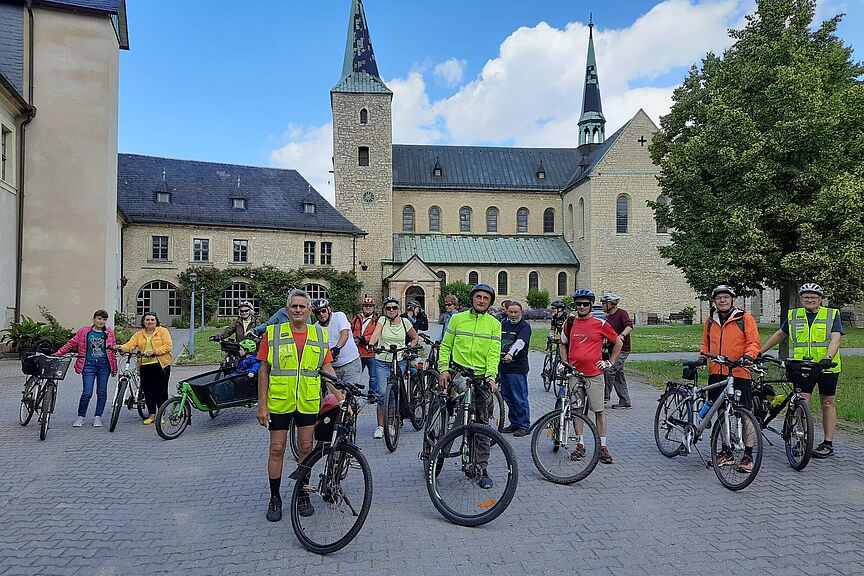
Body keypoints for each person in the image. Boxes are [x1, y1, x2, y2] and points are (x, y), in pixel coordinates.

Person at [256, 289, 341, 522]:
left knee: (306, 447)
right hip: (280, 401)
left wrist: (340, 397)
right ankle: (275, 498)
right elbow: (263, 371)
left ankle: (303, 494)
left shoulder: (319, 335)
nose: (298, 310)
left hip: (308, 400)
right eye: (294, 306)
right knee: (277, 448)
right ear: (287, 310)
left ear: (309, 311)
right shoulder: (273, 333)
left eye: (303, 306)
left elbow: (327, 368)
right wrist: (262, 406)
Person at [760, 282, 843, 458]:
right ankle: (801, 438)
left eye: (813, 297)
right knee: (801, 402)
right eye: (806, 297)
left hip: (827, 367)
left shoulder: (831, 314)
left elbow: (836, 338)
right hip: (803, 367)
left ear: (820, 299)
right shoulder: (794, 315)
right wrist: (759, 352)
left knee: (827, 402)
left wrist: (828, 357)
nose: (810, 300)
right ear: (801, 299)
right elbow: (779, 335)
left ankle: (827, 443)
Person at [439, 283, 502, 488]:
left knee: (482, 424)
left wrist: (491, 376)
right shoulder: (457, 319)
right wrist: (443, 369)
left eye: (485, 298)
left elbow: (494, 352)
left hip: (482, 376)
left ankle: (481, 467)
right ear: (472, 299)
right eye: (478, 297)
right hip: (460, 372)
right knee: (463, 405)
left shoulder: (494, 324)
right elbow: (446, 345)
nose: (481, 301)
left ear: (490, 302)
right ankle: (447, 436)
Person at [700, 284, 760, 471]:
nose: (722, 300)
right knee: (721, 411)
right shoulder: (711, 320)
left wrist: (749, 356)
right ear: (715, 301)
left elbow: (753, 342)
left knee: (745, 413)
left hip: (739, 371)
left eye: (726, 297)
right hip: (716, 371)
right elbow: (705, 343)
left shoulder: (745, 318)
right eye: (719, 298)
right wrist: (703, 358)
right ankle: (726, 451)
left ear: (732, 299)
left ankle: (748, 455)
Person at [559, 289, 622, 465]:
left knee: (599, 411)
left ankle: (603, 446)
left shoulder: (600, 323)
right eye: (579, 304)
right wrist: (564, 362)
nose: (582, 307)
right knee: (577, 410)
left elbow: (618, 342)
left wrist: (610, 362)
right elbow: (562, 343)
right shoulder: (570, 322)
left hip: (594, 374)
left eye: (585, 304)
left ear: (591, 305)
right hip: (575, 374)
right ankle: (580, 444)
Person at [54, 310, 118, 428]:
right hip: (88, 365)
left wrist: (114, 367)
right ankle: (81, 416)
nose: (101, 321)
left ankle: (98, 416)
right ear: (94, 319)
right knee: (87, 392)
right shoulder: (84, 331)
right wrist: (58, 354)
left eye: (104, 319)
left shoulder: (109, 333)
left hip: (104, 365)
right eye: (99, 319)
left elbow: (112, 352)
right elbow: (71, 343)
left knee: (102, 392)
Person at [368, 297, 418, 439]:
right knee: (382, 393)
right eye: (388, 308)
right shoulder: (382, 320)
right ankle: (380, 426)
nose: (391, 310)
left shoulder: (405, 322)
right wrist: (371, 344)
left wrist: (409, 348)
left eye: (394, 308)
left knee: (394, 393)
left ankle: (390, 424)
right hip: (382, 360)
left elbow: (415, 337)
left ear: (398, 309)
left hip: (399, 360)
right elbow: (376, 333)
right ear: (385, 310)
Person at [118, 312, 173, 425]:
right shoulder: (139, 334)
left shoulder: (162, 331)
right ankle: (152, 415)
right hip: (145, 366)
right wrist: (120, 347)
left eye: (152, 320)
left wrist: (154, 352)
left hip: (161, 365)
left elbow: (168, 346)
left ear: (156, 321)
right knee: (148, 391)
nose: (150, 322)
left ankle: (161, 414)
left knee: (161, 390)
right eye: (147, 320)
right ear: (143, 322)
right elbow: (130, 345)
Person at [311, 298, 363, 389]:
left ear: (329, 309)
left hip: (350, 363)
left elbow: (345, 334)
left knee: (351, 393)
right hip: (332, 368)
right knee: (334, 396)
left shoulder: (339, 316)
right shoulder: (315, 328)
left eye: (323, 311)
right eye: (318, 313)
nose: (321, 314)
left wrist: (337, 348)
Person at [499, 301, 532, 437]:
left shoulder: (525, 326)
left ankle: (524, 425)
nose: (513, 315)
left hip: (517, 368)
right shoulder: (503, 324)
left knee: (519, 397)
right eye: (510, 312)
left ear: (521, 313)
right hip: (503, 367)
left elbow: (520, 342)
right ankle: (514, 423)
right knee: (508, 396)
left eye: (515, 312)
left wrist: (511, 354)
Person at [600, 292, 634, 409]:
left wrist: (622, 335)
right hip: (612, 349)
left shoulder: (622, 313)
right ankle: (625, 401)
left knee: (609, 370)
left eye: (603, 303)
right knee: (619, 375)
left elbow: (629, 326)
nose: (602, 305)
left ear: (610, 304)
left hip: (622, 349)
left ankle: (604, 397)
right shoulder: (609, 317)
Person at [351, 295, 379, 398]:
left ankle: (372, 393)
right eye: (366, 305)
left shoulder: (377, 320)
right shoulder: (357, 318)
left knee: (373, 376)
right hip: (358, 352)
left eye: (370, 306)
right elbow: (350, 330)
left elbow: (377, 334)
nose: (368, 307)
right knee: (355, 374)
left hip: (371, 352)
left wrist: (364, 338)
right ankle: (352, 393)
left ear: (373, 307)